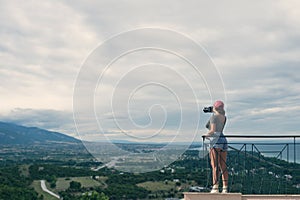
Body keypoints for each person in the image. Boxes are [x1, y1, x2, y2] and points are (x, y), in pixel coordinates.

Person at [204, 100, 228, 193]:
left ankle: (215, 187)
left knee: (215, 165)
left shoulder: (214, 117)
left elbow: (212, 130)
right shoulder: (224, 117)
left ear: (215, 108)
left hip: (215, 140)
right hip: (223, 139)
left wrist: (206, 135)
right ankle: (225, 188)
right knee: (223, 165)